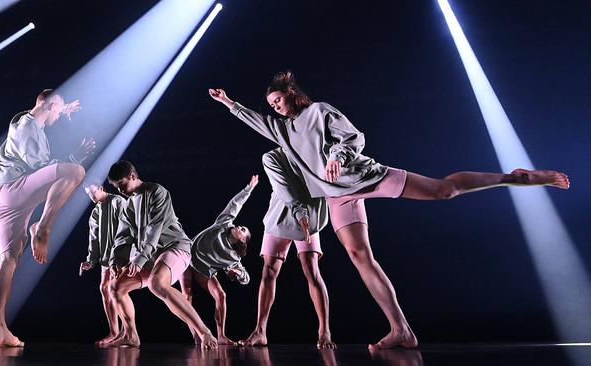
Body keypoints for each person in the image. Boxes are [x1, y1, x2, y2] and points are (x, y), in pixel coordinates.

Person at [208, 71, 570, 349]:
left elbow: (353, 137)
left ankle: (513, 177)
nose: (275, 107)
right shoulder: (281, 129)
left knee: (443, 191)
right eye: (271, 105)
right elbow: (256, 121)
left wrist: (337, 157)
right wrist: (229, 104)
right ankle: (402, 329)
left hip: (367, 177)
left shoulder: (319, 111)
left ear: (290, 94)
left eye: (278, 100)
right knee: (359, 256)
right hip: (338, 197)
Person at [0, 89, 95, 347]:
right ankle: (42, 228)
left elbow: (44, 114)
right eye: (58, 110)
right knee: (75, 172)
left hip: (1, 198)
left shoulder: (28, 122)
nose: (59, 116)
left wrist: (62, 108)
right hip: (13, 190)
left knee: (8, 260)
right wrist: (73, 160)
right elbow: (43, 169)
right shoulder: (28, 128)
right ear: (49, 106)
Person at [105, 160, 218, 349]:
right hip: (151, 257)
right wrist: (117, 260)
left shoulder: (157, 191)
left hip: (175, 247)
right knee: (116, 287)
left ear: (133, 176)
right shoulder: (127, 205)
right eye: (116, 187)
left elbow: (153, 230)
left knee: (157, 284)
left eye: (122, 185)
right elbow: (123, 236)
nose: (120, 190)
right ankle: (131, 336)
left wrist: (139, 260)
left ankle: (204, 331)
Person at [240, 148, 335, 349]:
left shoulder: (314, 149)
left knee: (311, 270)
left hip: (309, 213)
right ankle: (260, 331)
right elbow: (284, 187)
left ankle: (324, 331)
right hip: (280, 214)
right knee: (268, 271)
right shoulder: (274, 156)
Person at [179, 175, 258, 346]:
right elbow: (235, 205)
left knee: (221, 295)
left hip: (202, 269)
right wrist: (248, 189)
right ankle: (196, 333)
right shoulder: (224, 223)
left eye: (242, 230)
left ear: (242, 240)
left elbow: (246, 279)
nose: (239, 226)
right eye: (240, 226)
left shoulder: (233, 257)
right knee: (187, 294)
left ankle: (221, 335)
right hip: (186, 257)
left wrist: (236, 272)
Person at [79, 183, 126, 346]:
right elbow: (94, 240)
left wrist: (120, 257)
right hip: (106, 259)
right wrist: (90, 261)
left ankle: (127, 332)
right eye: (88, 194)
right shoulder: (95, 213)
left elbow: (127, 229)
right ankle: (114, 331)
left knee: (117, 290)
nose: (91, 197)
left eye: (92, 192)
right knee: (104, 288)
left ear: (100, 188)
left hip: (121, 256)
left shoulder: (118, 202)